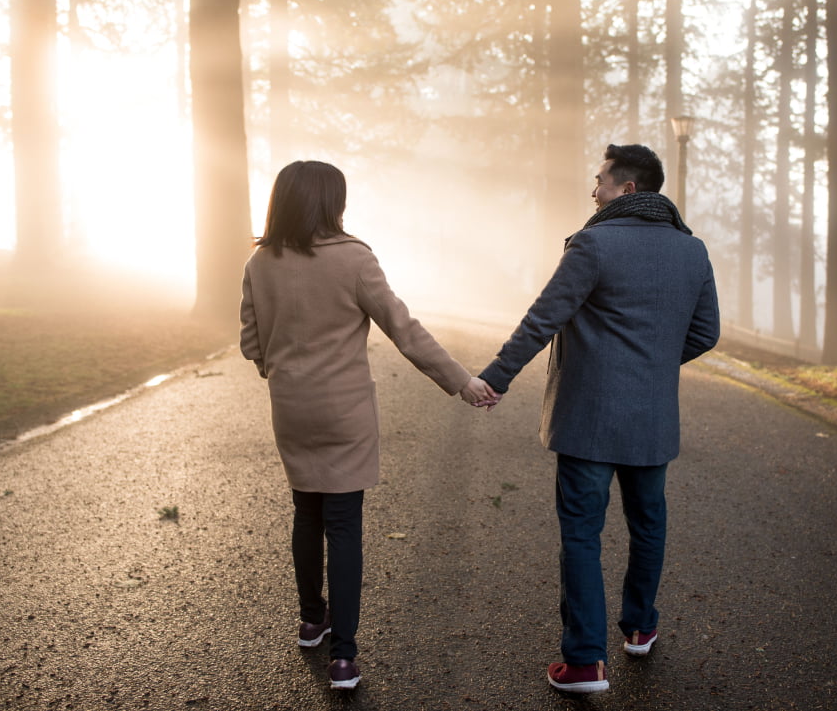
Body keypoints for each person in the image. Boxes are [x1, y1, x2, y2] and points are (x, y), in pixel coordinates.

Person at [239, 160, 496, 690]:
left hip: (291, 407)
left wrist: (283, 373)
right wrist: (460, 380)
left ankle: (313, 620)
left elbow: (251, 342)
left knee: (305, 513)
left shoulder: (260, 262)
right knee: (344, 525)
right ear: (332, 203)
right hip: (345, 412)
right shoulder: (355, 259)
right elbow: (405, 330)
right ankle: (344, 658)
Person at [474, 143, 719, 694]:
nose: (594, 189)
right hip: (652, 417)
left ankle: (585, 662)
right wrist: (650, 366)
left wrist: (494, 378)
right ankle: (640, 628)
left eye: (601, 180)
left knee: (583, 534)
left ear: (627, 189)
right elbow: (705, 334)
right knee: (648, 524)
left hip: (587, 417)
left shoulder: (593, 243)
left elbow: (542, 319)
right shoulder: (693, 251)